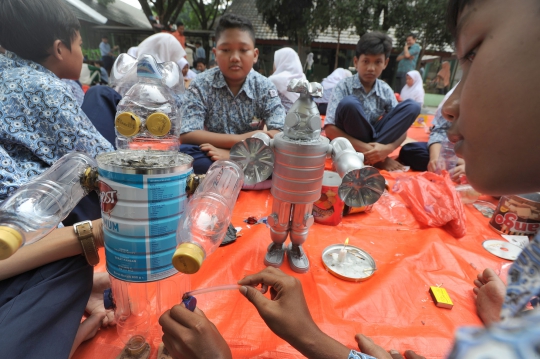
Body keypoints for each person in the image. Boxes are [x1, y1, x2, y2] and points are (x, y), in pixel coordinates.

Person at [160, 0, 540, 358]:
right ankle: (280, 243)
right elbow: (258, 139)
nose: (450, 108)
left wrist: (350, 166)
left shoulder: (299, 121)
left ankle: (295, 247)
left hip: (304, 189)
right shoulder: (225, 94)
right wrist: (251, 149)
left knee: (300, 223)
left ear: (256, 54)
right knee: (278, 219)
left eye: (472, 54)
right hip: (280, 185)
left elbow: (330, 148)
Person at [0, 0, 114, 227]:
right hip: (55, 209)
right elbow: (103, 163)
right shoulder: (42, 87)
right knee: (103, 95)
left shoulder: (10, 73)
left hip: (33, 201)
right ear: (59, 49)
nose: (82, 54)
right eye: (80, 45)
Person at [179, 13, 285, 174]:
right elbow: (187, 134)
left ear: (255, 55)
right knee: (185, 152)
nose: (235, 57)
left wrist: (233, 154)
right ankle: (242, 172)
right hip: (212, 153)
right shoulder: (201, 83)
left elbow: (279, 132)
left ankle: (231, 167)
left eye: (243, 50)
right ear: (215, 53)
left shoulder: (264, 86)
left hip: (253, 154)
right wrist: (243, 140)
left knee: (285, 157)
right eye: (226, 50)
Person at [324, 32, 421, 171]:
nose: (371, 68)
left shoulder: (385, 90)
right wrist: (370, 150)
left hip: (377, 139)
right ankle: (375, 160)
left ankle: (375, 157)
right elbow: (330, 129)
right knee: (349, 104)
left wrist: (386, 149)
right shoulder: (343, 86)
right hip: (350, 144)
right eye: (366, 61)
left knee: (412, 106)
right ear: (356, 62)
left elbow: (400, 129)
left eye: (377, 62)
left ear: (385, 63)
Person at [399, 85, 465, 180]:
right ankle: (454, 164)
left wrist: (473, 167)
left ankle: (463, 167)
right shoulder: (458, 93)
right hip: (453, 149)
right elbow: (440, 130)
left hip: (482, 158)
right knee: (409, 150)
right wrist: (435, 158)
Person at [268, 47, 306, 112]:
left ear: (281, 61)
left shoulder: (274, 80)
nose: (274, 64)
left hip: (282, 119)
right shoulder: (303, 78)